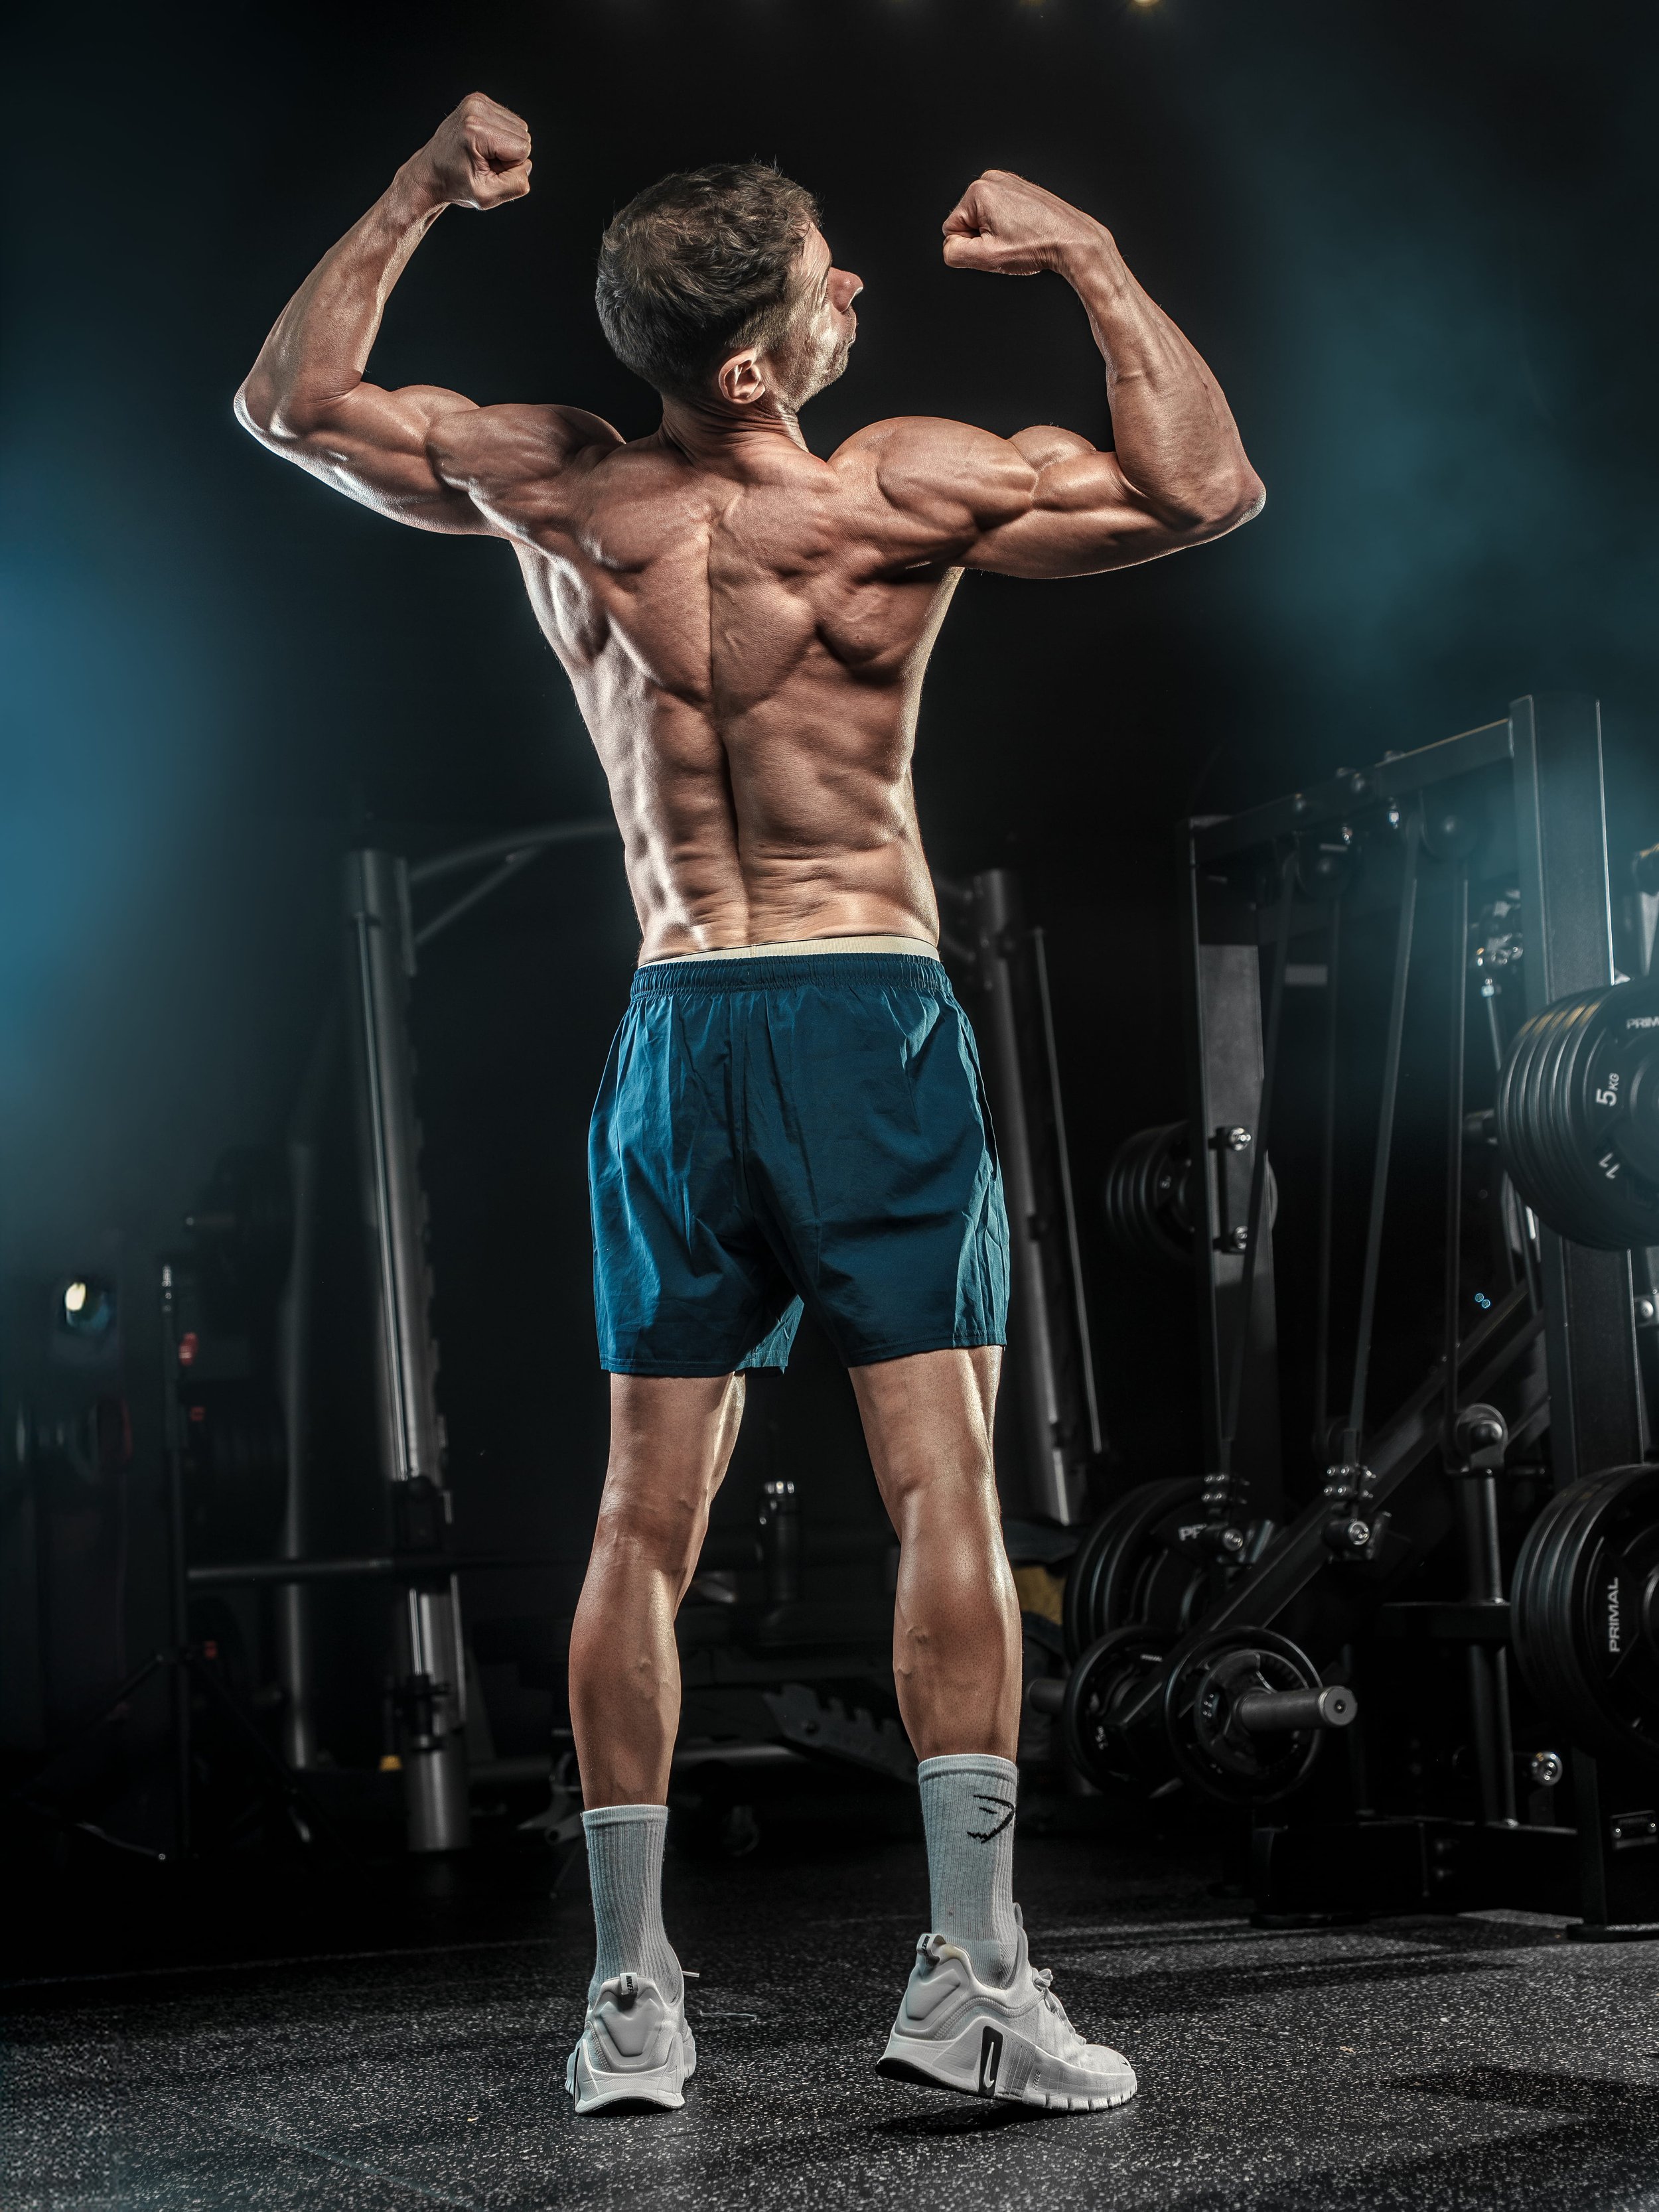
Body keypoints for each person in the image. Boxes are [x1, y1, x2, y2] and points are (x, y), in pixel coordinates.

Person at [238, 90, 1263, 2118]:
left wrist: (419, 188)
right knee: (942, 1497)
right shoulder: (890, 494)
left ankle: (629, 2006)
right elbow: (1203, 486)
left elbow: (291, 404)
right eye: (822, 287)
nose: (854, 288)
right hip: (860, 1020)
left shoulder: (555, 488)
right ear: (751, 366)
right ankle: (973, 1978)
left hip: (679, 1028)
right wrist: (1086, 257)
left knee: (639, 1522)